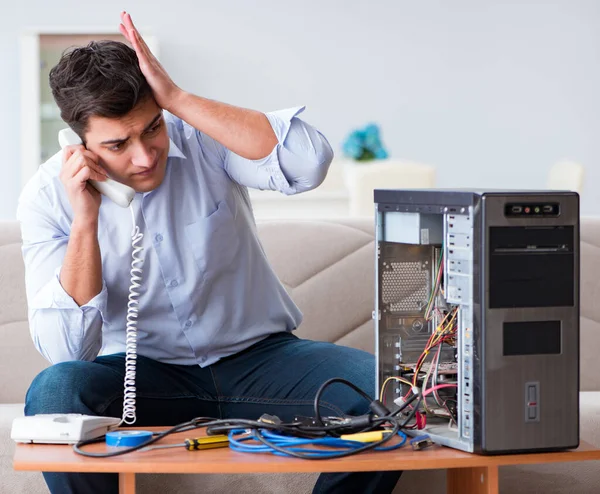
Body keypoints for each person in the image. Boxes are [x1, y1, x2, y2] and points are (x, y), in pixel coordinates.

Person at [16, 11, 402, 494]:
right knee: (55, 390)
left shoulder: (201, 137)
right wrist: (86, 219)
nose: (144, 156)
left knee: (391, 395)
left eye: (151, 128)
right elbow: (67, 350)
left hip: (261, 361)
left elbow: (308, 165)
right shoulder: (48, 196)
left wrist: (177, 99)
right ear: (81, 144)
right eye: (117, 144)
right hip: (142, 376)